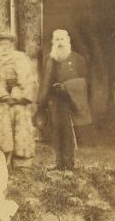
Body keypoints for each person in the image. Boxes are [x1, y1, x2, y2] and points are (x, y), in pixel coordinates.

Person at [37, 29, 91, 172]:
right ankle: (59, 162)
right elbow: (44, 81)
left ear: (68, 41)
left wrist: (67, 87)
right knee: (55, 131)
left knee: (68, 132)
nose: (60, 42)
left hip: (70, 101)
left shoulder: (78, 59)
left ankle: (69, 163)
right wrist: (43, 100)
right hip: (53, 101)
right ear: (53, 42)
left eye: (62, 39)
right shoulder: (49, 59)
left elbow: (84, 81)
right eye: (57, 39)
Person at [0, 32, 38, 168]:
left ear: (11, 45)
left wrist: (20, 95)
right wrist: (5, 96)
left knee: (21, 130)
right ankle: (3, 159)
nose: (3, 47)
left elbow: (29, 79)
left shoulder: (21, 58)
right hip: (3, 103)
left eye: (6, 44)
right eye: (0, 45)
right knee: (4, 131)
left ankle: (22, 161)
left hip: (20, 101)